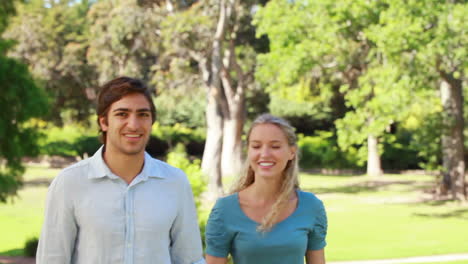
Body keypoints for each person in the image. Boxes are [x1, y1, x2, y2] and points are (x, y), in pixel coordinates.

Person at [36, 77, 205, 264]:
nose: (133, 124)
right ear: (104, 123)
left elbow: (190, 260)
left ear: (151, 122)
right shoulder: (70, 183)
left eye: (143, 114)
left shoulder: (175, 182)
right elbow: (52, 259)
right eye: (122, 114)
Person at [205, 114, 328, 264]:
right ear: (248, 151)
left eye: (275, 146)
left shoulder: (311, 206)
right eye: (256, 146)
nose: (264, 154)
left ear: (292, 152)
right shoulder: (225, 210)